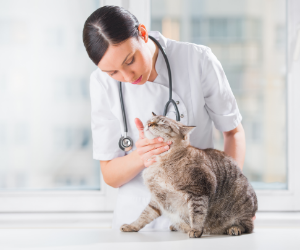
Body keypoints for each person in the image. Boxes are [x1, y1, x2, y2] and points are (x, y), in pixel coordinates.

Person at [83, 5, 254, 231]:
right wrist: (140, 156)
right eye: (113, 72)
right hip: (138, 225)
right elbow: (110, 175)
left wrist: (230, 198)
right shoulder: (101, 84)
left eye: (130, 60)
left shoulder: (197, 60)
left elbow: (233, 132)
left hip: (200, 216)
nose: (127, 76)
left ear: (142, 33)